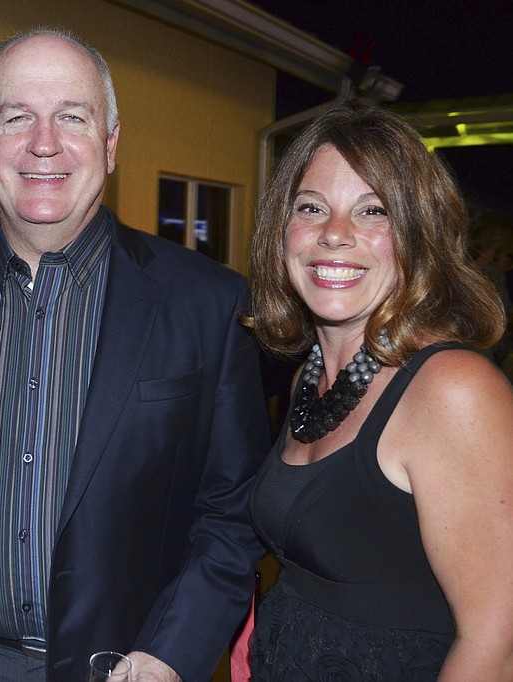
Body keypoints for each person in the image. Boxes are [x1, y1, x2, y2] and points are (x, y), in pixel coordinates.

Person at [0, 26, 270, 682]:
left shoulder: (207, 305)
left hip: (123, 669)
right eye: (16, 117)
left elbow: (233, 510)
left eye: (72, 116)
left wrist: (173, 652)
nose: (43, 143)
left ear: (111, 144)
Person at [245, 100, 513, 679]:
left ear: (419, 235)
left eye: (373, 211)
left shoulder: (454, 391)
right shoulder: (310, 377)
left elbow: (496, 643)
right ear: (281, 231)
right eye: (311, 207)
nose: (334, 234)